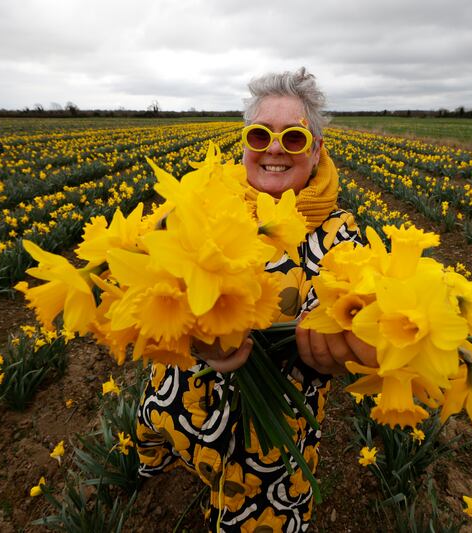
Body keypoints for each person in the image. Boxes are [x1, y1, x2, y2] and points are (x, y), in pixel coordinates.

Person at [136, 68, 376, 531]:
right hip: (180, 391)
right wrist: (195, 327)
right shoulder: (205, 200)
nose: (274, 149)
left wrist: (341, 340)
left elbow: (358, 303)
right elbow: (150, 276)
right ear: (245, 143)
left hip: (271, 423)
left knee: (258, 512)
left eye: (294, 138)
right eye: (261, 134)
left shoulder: (340, 233)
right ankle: (154, 470)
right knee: (159, 434)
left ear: (317, 149)